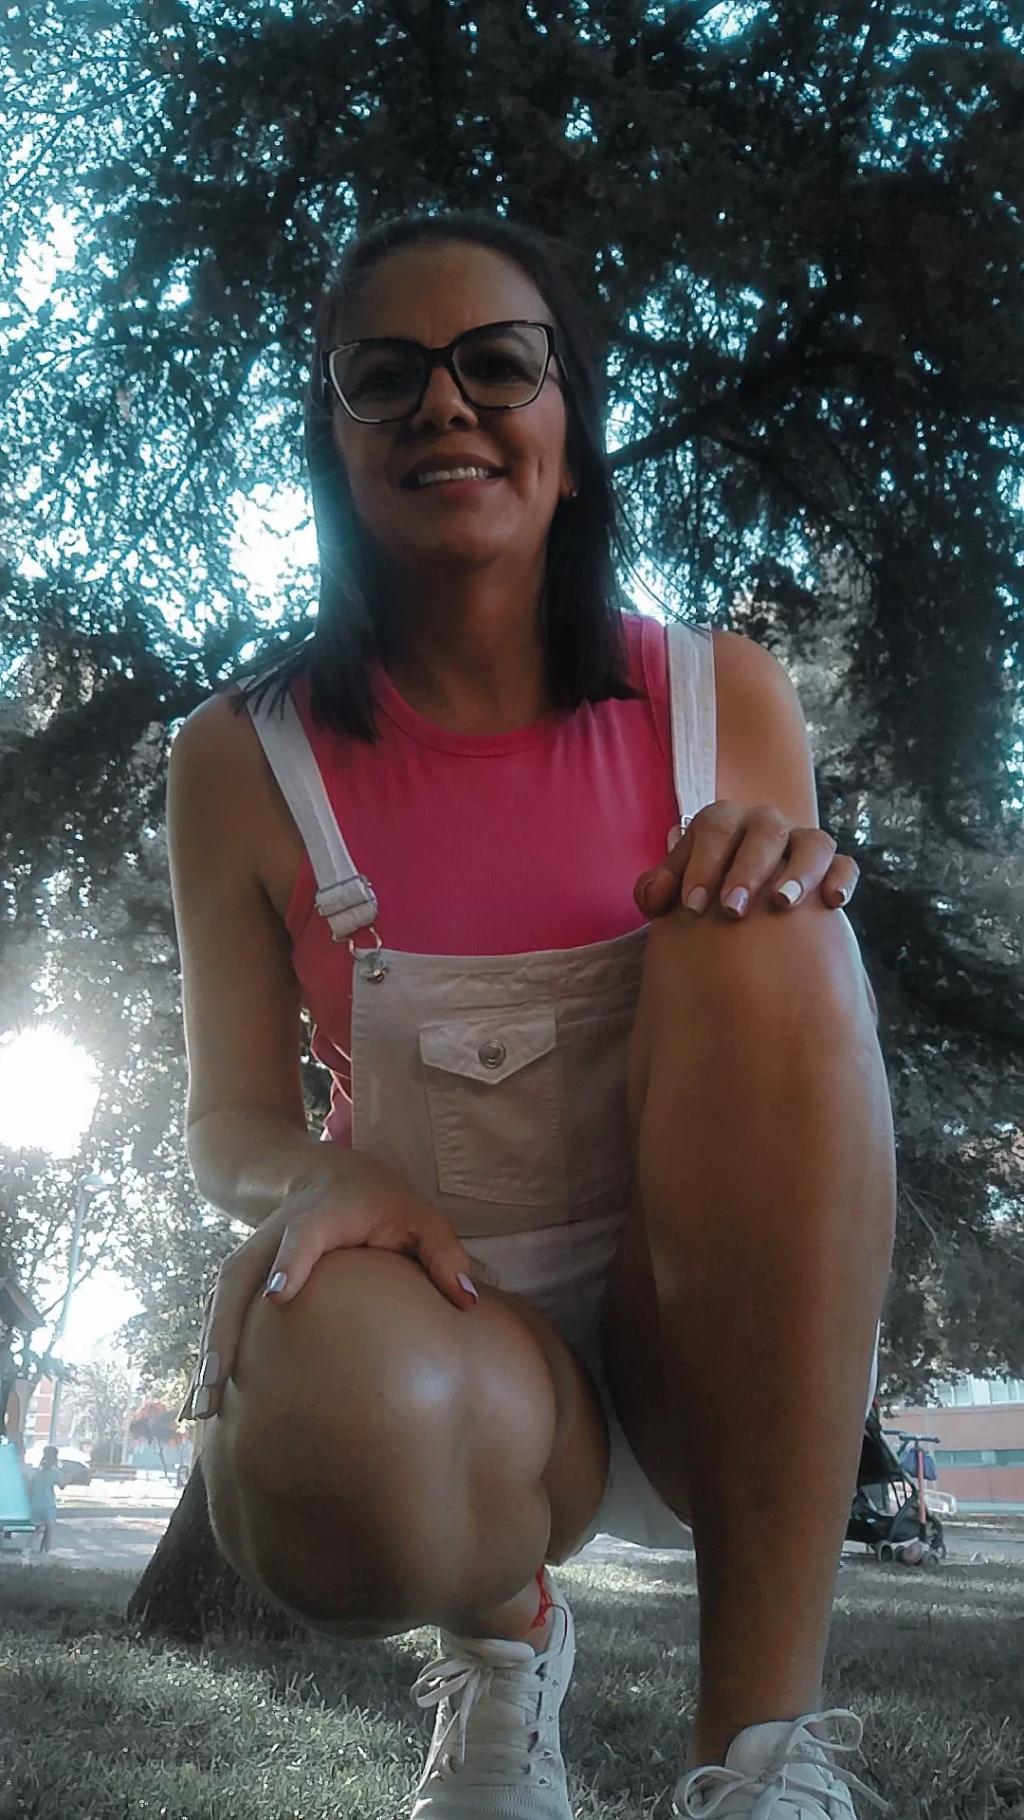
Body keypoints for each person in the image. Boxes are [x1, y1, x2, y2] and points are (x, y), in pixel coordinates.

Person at [169, 210, 895, 1818]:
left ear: (572, 431)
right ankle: (507, 1646)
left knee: (772, 929)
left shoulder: (720, 696)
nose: (445, 403)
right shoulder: (239, 756)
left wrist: (786, 881)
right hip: (454, 1343)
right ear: (334, 444)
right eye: (385, 378)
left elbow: (793, 1066)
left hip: (701, 1338)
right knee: (317, 1400)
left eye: (498, 363)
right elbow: (226, 1119)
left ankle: (763, 1756)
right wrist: (316, 1174)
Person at [28, 1444, 65, 1555]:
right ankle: (45, 1553)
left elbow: (30, 1489)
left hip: (36, 1504)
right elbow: (62, 1485)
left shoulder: (35, 1472)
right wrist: (70, 1477)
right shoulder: (55, 1472)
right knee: (49, 1529)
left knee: (37, 1529)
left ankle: (27, 1551)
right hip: (48, 1504)